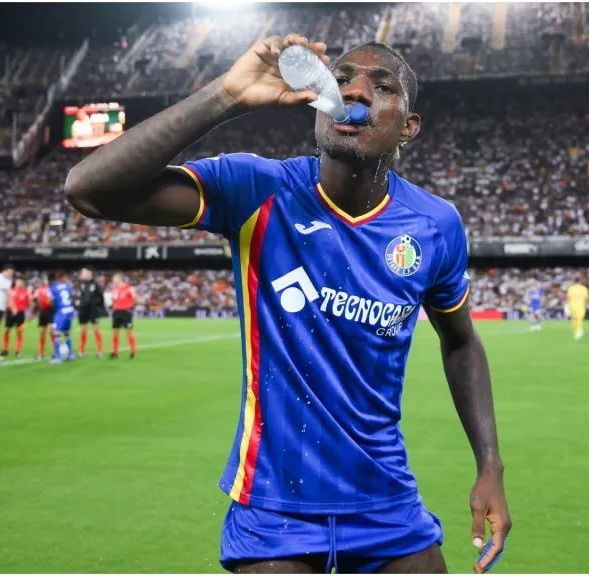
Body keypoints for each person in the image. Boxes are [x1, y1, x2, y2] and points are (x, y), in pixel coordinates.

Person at [65, 34, 510, 574]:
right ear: (318, 101)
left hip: (387, 502)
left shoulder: (435, 225)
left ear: (409, 125)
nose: (357, 91)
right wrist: (226, 95)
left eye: (383, 86)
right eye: (341, 79)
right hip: (274, 509)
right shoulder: (257, 188)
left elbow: (461, 341)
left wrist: (490, 463)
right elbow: (89, 189)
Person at [77, 267, 106, 359]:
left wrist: (98, 308)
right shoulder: (82, 285)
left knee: (96, 330)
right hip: (84, 311)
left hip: (93, 311)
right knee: (83, 330)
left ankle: (100, 351)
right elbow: (82, 297)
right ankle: (81, 351)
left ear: (90, 273)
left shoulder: (96, 285)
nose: (82, 274)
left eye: (84, 272)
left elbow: (101, 298)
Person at [48, 272, 76, 364]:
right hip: (70, 310)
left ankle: (58, 357)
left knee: (56, 333)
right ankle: (70, 355)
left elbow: (50, 301)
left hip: (61, 311)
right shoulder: (68, 286)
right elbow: (72, 297)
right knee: (67, 333)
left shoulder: (53, 287)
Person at [109, 273, 138, 359]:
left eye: (114, 278)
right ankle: (115, 352)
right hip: (117, 312)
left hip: (126, 312)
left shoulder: (129, 288)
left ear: (119, 279)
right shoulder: (114, 289)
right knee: (115, 332)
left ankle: (133, 352)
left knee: (129, 332)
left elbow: (135, 299)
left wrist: (131, 307)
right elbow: (113, 300)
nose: (113, 280)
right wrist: (115, 307)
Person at [3, 277, 31, 356]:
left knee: (19, 332)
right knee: (7, 330)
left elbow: (29, 303)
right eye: (17, 281)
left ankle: (18, 350)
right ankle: (5, 349)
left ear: (23, 283)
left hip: (20, 313)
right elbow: (7, 301)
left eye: (20, 282)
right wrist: (5, 313)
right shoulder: (11, 290)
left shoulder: (26, 292)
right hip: (10, 312)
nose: (18, 283)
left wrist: (28, 313)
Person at [34, 275, 54, 361]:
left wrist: (49, 302)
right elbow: (35, 300)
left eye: (46, 279)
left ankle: (55, 351)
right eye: (44, 279)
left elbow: (53, 302)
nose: (45, 281)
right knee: (42, 332)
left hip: (51, 312)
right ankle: (41, 353)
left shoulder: (52, 289)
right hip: (43, 312)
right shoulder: (38, 290)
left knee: (51, 332)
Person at [566, 276, 589, 340]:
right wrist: (585, 305)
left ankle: (577, 331)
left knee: (574, 319)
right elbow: (586, 298)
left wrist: (568, 306)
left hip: (572, 306)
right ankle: (579, 332)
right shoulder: (584, 288)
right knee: (579, 319)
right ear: (580, 281)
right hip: (581, 306)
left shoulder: (571, 288)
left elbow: (568, 298)